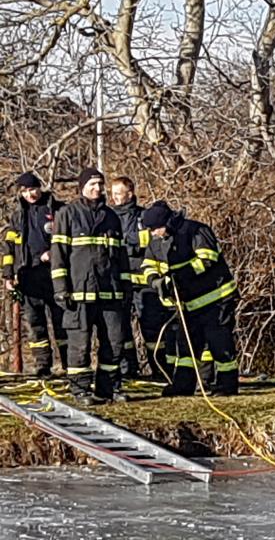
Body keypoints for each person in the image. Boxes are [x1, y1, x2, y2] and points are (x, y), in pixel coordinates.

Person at [139, 200, 239, 396]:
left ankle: (227, 386)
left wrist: (179, 277)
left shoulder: (195, 231)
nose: (154, 234)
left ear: (166, 223)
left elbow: (207, 259)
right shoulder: (157, 240)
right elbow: (148, 265)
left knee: (220, 344)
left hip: (216, 299)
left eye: (155, 229)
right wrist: (156, 282)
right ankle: (183, 385)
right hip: (188, 303)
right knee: (187, 347)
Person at [51, 168, 131, 404]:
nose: (97, 189)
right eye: (92, 184)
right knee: (80, 344)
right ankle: (81, 391)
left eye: (100, 184)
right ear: (82, 187)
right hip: (78, 293)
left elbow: (121, 256)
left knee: (115, 342)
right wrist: (60, 287)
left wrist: (125, 286)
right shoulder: (68, 214)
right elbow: (58, 255)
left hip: (110, 292)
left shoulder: (111, 217)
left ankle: (109, 389)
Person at [2, 171, 65, 378]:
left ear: (40, 187)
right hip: (28, 276)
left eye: (33, 189)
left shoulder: (57, 210)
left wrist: (53, 253)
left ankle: (68, 364)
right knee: (35, 324)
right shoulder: (18, 215)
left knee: (62, 321)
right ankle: (43, 366)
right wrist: (8, 275)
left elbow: (67, 240)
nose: (30, 194)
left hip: (54, 275)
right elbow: (8, 248)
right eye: (25, 191)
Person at [107, 175, 156, 381]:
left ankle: (159, 368)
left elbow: (149, 240)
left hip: (143, 282)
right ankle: (128, 369)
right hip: (119, 281)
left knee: (151, 327)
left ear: (131, 193)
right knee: (122, 328)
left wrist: (126, 241)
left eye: (120, 193)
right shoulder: (108, 216)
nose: (116, 198)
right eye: (113, 194)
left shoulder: (143, 216)